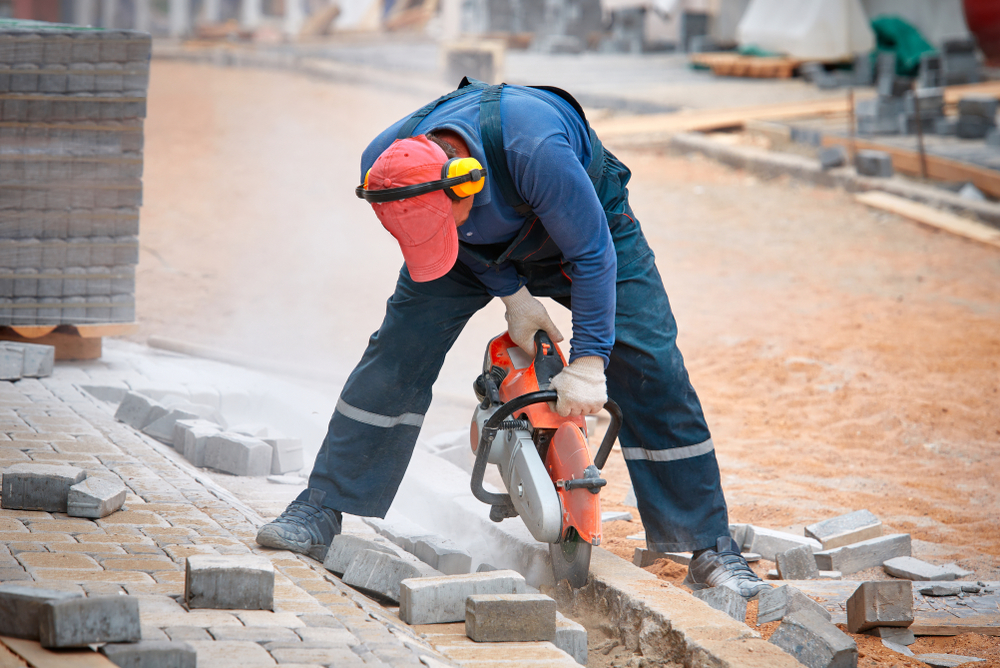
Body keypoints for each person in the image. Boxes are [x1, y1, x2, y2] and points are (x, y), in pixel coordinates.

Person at [255, 79, 767, 598]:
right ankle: (320, 506)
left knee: (651, 362)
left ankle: (709, 546)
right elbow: (451, 241)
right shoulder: (387, 165)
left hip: (587, 230)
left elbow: (593, 257)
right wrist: (513, 295)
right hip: (470, 245)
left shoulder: (534, 149)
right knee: (396, 352)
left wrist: (590, 362)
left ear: (466, 183)